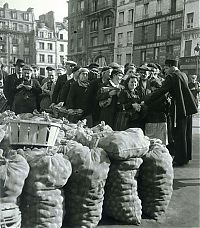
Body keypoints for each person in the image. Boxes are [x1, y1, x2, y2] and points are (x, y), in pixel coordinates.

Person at [144, 59, 198, 166]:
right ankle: (185, 156)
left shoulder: (172, 76)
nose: (165, 70)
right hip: (188, 107)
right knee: (186, 133)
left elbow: (161, 91)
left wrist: (147, 100)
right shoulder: (183, 74)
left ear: (172, 67)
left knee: (178, 133)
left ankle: (179, 159)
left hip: (179, 108)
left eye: (166, 68)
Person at [144, 79, 170, 145]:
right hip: (161, 120)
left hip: (150, 120)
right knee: (161, 143)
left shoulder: (148, 96)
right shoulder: (165, 97)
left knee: (150, 142)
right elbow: (167, 109)